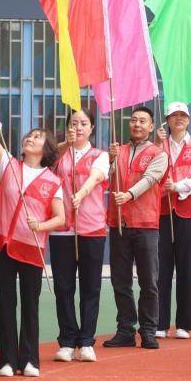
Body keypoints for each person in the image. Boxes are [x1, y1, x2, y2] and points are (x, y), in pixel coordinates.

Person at [0, 126, 65, 377]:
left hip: (31, 247)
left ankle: (29, 360)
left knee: (30, 304)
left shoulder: (53, 181)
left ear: (46, 149)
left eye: (37, 137)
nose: (30, 138)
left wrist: (41, 226)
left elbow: (61, 218)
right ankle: (6, 360)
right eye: (29, 135)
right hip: (3, 245)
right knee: (6, 302)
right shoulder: (8, 165)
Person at [103, 107, 167, 349]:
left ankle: (148, 330)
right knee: (120, 280)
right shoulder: (117, 150)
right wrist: (110, 160)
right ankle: (125, 330)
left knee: (149, 281)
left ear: (151, 127)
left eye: (142, 121)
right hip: (119, 222)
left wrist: (129, 194)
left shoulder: (158, 153)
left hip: (146, 224)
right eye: (133, 120)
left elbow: (150, 179)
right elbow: (106, 177)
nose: (137, 124)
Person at [49, 106, 108, 363]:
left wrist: (81, 193)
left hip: (91, 228)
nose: (78, 127)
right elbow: (46, 162)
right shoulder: (59, 154)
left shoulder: (100, 155)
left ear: (91, 128)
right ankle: (66, 341)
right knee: (63, 287)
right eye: (74, 123)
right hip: (62, 229)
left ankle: (86, 341)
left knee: (90, 286)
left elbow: (95, 178)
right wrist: (65, 144)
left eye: (83, 123)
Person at [156, 102, 191, 340]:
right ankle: (159, 321)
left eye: (183, 115)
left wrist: (176, 186)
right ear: (167, 119)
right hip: (163, 210)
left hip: (189, 210)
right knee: (161, 267)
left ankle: (185, 323)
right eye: (174, 115)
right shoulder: (160, 145)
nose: (179, 119)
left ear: (189, 119)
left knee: (189, 267)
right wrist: (158, 146)